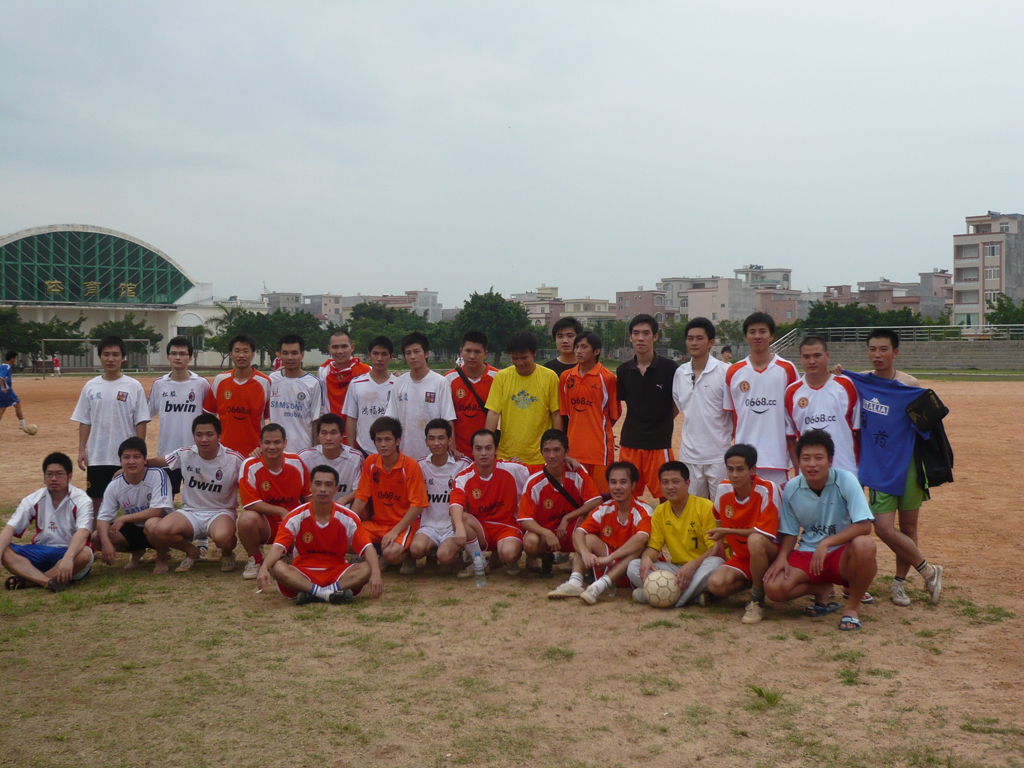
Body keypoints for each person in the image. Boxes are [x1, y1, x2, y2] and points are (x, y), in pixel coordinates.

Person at [837, 329, 944, 607]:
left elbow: (929, 426)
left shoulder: (910, 385)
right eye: (872, 349)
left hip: (908, 464)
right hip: (877, 466)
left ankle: (899, 584)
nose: (877, 355)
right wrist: (838, 372)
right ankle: (929, 571)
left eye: (883, 349)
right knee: (883, 528)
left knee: (908, 526)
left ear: (895, 352)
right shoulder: (858, 381)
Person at [764, 430, 877, 631]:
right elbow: (790, 532)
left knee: (865, 545)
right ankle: (821, 589)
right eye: (806, 458)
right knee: (773, 588)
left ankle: (851, 608)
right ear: (798, 462)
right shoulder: (791, 488)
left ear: (830, 461)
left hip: (841, 553)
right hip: (809, 552)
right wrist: (782, 557)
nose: (812, 464)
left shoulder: (846, 480)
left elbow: (865, 525)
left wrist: (827, 543)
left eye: (819, 458)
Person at [256, 466, 383, 605]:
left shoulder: (348, 517)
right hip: (303, 572)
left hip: (337, 571)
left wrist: (376, 572)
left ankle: (313, 594)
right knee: (277, 567)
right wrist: (264, 567)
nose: (323, 489)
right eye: (318, 484)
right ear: (310, 487)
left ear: (336, 489)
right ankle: (330, 594)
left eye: (328, 484)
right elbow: (278, 547)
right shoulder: (295, 516)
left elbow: (367, 547)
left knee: (368, 567)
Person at [146, 414, 245, 574]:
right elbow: (160, 462)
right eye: (199, 435)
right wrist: (134, 466)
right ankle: (192, 552)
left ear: (219, 436)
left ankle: (227, 553)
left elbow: (250, 477)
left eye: (209, 434)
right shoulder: (185, 454)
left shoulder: (234, 459)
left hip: (221, 512)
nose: (204, 439)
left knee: (223, 538)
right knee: (161, 530)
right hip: (191, 512)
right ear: (194, 436)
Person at [547, 461, 651, 602]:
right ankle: (575, 582)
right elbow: (579, 532)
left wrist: (610, 557)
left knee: (639, 548)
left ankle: (598, 586)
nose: (617, 487)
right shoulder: (604, 509)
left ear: (633, 485)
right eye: (613, 482)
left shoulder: (643, 510)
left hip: (634, 568)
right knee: (586, 539)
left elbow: (641, 539)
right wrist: (585, 553)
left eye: (623, 482)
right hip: (608, 563)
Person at [71, 336, 151, 510]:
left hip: (126, 457)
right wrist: (81, 449)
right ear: (100, 357)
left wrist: (139, 452)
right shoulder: (90, 386)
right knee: (96, 504)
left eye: (115, 355)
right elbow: (85, 421)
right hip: (97, 456)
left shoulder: (134, 386)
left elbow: (141, 421)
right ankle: (98, 529)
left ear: (123, 358)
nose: (110, 359)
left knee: (132, 503)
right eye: (106, 354)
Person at [628, 462, 723, 606]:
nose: (670, 487)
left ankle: (672, 599)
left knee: (716, 563)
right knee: (634, 566)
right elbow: (654, 547)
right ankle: (692, 595)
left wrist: (692, 566)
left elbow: (715, 548)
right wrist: (646, 559)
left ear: (687, 483)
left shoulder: (705, 507)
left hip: (702, 566)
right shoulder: (660, 511)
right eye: (665, 482)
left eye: (675, 481)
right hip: (677, 570)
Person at [705, 444, 781, 624]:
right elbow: (717, 516)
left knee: (755, 540)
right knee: (715, 585)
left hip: (768, 554)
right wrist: (718, 544)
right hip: (742, 557)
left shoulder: (767, 488)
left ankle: (757, 599)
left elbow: (764, 534)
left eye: (740, 469)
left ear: (752, 470)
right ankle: (754, 581)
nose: (734, 474)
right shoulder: (723, 488)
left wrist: (726, 531)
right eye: (730, 469)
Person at [723, 313, 798, 488]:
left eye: (762, 331)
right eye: (752, 332)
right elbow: (732, 415)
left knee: (776, 504)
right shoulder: (734, 372)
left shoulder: (787, 369)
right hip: (743, 460)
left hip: (776, 458)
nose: (757, 336)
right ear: (746, 336)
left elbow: (794, 416)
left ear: (771, 335)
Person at [1, 452, 93, 592]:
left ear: (70, 476)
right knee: (4, 550)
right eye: (49, 474)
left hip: (67, 552)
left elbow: (83, 532)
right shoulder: (33, 499)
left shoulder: (82, 500)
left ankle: (31, 580)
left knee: (85, 554)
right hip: (40, 551)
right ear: (44, 477)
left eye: (59, 474)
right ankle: (47, 581)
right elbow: (10, 527)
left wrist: (68, 557)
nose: (53, 478)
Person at [349, 416, 428, 573]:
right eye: (379, 440)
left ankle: (405, 555)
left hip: (404, 525)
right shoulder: (370, 463)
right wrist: (346, 523)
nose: (383, 444)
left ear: (397, 441)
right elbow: (361, 498)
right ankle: (379, 555)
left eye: (387, 439)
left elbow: (418, 505)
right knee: (345, 538)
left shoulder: (410, 466)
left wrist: (395, 531)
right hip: (378, 524)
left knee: (391, 554)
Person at [519, 429, 602, 576]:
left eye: (557, 450)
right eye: (547, 451)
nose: (552, 455)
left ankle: (584, 561)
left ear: (566, 452)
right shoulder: (534, 482)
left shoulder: (576, 471)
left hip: (574, 530)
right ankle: (546, 557)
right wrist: (546, 533)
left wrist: (568, 518)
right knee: (530, 542)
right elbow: (525, 520)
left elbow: (596, 500)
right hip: (548, 535)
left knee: (596, 515)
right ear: (541, 453)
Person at [450, 429, 531, 576]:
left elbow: (542, 474)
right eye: (478, 449)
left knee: (509, 553)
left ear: (496, 450)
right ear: (472, 451)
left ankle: (508, 559)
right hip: (481, 529)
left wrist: (566, 460)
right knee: (459, 517)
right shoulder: (463, 477)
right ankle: (479, 563)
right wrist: (459, 527)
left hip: (507, 527)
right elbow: (455, 503)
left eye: (488, 448)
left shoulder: (512, 469)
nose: (483, 453)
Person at [616, 314, 678, 500]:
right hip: (630, 443)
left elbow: (676, 404)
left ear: (655, 337)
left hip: (659, 444)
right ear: (630, 337)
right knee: (626, 495)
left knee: (666, 495)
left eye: (646, 333)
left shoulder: (670, 368)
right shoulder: (623, 370)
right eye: (636, 333)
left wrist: (660, 422)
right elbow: (626, 402)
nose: (640, 338)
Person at [237, 423, 311, 579]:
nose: (272, 447)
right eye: (267, 442)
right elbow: (250, 503)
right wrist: (280, 511)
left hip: (293, 522)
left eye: (277, 442)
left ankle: (290, 552)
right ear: (260, 443)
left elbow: (309, 496)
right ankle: (255, 559)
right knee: (246, 519)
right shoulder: (250, 465)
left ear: (285, 443)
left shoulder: (296, 462)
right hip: (267, 524)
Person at [671, 318, 732, 501]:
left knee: (721, 509)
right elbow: (678, 407)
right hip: (689, 457)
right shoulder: (680, 373)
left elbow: (734, 415)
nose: (694, 343)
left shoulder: (725, 372)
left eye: (699, 338)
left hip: (718, 456)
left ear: (711, 342)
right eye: (690, 338)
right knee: (694, 511)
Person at [92, 437, 174, 571]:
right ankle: (136, 551)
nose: (131, 461)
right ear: (120, 461)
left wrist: (123, 518)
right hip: (135, 527)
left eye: (137, 457)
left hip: (160, 528)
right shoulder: (115, 484)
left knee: (151, 524)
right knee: (97, 538)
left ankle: (161, 558)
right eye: (126, 457)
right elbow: (103, 518)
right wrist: (106, 543)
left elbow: (157, 511)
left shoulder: (158, 474)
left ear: (145, 459)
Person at [484, 331, 562, 469]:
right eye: (515, 358)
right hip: (507, 457)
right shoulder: (502, 377)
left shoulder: (550, 377)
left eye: (524, 358)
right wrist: (487, 445)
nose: (519, 363)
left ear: (534, 353)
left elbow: (556, 414)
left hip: (539, 458)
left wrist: (558, 447)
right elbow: (493, 413)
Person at [784, 336, 859, 475]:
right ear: (800, 358)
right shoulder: (792, 392)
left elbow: (858, 430)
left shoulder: (846, 385)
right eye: (806, 357)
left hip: (846, 470)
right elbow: (790, 436)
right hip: (810, 473)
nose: (812, 361)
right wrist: (798, 468)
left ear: (827, 356)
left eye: (817, 355)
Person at [147, 336, 212, 497]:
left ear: (190, 358)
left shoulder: (201, 384)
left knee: (198, 497)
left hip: (195, 452)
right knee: (166, 497)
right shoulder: (160, 384)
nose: (178, 357)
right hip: (167, 453)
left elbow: (209, 417)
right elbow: (146, 413)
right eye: (174, 353)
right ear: (168, 357)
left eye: (182, 354)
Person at [558, 331, 619, 492]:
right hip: (574, 451)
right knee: (576, 496)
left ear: (596, 351)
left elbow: (614, 415)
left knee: (602, 497)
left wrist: (597, 429)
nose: (578, 351)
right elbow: (566, 413)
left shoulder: (608, 378)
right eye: (577, 347)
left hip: (600, 451)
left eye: (584, 347)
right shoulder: (566, 377)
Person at [384, 332, 456, 461]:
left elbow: (448, 418)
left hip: (433, 455)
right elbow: (391, 420)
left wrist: (452, 446)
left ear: (426, 354)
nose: (413, 357)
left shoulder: (440, 382)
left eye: (416, 352)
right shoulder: (398, 383)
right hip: (405, 453)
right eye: (408, 353)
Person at [411, 419, 471, 567]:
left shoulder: (463, 464)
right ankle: (431, 554)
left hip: (452, 527)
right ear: (426, 442)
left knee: (444, 556)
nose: (436, 443)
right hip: (428, 527)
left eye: (441, 438)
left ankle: (457, 554)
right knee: (416, 549)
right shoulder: (420, 466)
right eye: (431, 439)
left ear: (450, 440)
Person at [203, 334, 271, 457]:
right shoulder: (220, 380)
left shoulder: (265, 382)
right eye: (237, 351)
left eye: (246, 351)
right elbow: (208, 415)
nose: (241, 355)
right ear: (231, 354)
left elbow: (271, 418)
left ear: (252, 354)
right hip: (224, 452)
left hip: (254, 452)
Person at [269, 334, 327, 453]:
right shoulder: (272, 380)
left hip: (303, 449)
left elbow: (316, 420)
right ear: (279, 355)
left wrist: (315, 451)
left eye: (294, 353)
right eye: (285, 353)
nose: (290, 357)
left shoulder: (313, 383)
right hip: (275, 449)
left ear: (302, 354)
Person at [444, 331, 499, 457]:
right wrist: (451, 445)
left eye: (477, 352)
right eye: (468, 351)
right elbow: (446, 416)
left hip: (487, 454)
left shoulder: (498, 378)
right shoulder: (448, 379)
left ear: (485, 354)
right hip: (458, 454)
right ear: (461, 352)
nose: (472, 356)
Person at [343, 336, 397, 456]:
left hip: (391, 449)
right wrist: (351, 449)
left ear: (391, 357)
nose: (380, 358)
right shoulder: (356, 383)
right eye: (376, 353)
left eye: (384, 354)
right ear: (369, 355)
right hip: (364, 448)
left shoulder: (398, 385)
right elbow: (351, 418)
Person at [297, 414, 363, 505]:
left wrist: (345, 499)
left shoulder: (355, 457)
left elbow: (360, 489)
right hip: (313, 506)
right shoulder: (304, 457)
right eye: (324, 433)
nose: (328, 438)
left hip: (344, 507)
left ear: (341, 436)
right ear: (318, 435)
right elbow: (296, 488)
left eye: (333, 433)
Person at [318, 330, 370, 426]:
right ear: (329, 349)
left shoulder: (366, 370)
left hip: (358, 427)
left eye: (344, 346)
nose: (340, 351)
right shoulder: (323, 371)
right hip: (334, 428)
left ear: (352, 347)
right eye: (335, 347)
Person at [0, 351, 33, 433]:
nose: (15, 361)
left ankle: (22, 424)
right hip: (7, 391)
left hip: (1, 391)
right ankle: (22, 424)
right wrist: (3, 387)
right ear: (12, 359)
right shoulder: (7, 367)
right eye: (15, 359)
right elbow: (1, 377)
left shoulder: (2, 366)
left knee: (1, 410)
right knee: (17, 405)